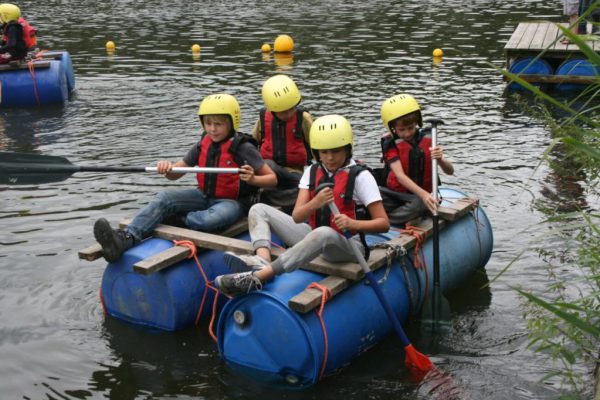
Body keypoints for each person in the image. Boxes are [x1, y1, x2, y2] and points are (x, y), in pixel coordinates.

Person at [214, 114, 390, 296]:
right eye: (324, 152)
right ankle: (262, 260)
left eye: (336, 151)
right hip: (314, 235)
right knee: (258, 209)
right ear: (316, 152)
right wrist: (316, 202)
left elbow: (383, 224)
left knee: (323, 233)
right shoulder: (313, 171)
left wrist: (353, 224)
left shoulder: (361, 177)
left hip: (348, 247)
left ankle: (259, 276)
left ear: (347, 149)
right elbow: (298, 216)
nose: (329, 158)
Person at [93, 93, 277, 263]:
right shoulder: (203, 143)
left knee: (209, 220)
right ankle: (126, 238)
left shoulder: (244, 148)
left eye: (218, 124)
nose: (212, 129)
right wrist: (167, 168)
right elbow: (176, 173)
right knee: (164, 198)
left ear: (232, 122)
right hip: (203, 196)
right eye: (208, 123)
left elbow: (272, 179)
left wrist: (253, 179)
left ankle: (178, 219)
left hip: (232, 203)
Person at [379, 94, 454, 226]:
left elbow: (450, 171)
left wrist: (441, 159)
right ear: (392, 128)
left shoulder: (428, 139)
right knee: (375, 196)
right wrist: (424, 195)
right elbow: (400, 176)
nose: (407, 133)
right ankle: (404, 217)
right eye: (401, 130)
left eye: (411, 128)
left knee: (421, 203)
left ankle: (390, 220)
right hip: (396, 195)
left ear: (417, 123)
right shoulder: (390, 143)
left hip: (418, 199)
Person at [251, 74, 313, 211]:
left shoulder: (303, 118)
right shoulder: (263, 119)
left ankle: (271, 198)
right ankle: (281, 198)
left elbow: (317, 144)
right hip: (270, 171)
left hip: (294, 173)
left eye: (292, 108)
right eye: (283, 111)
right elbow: (252, 143)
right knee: (267, 164)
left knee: (308, 188)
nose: (289, 113)